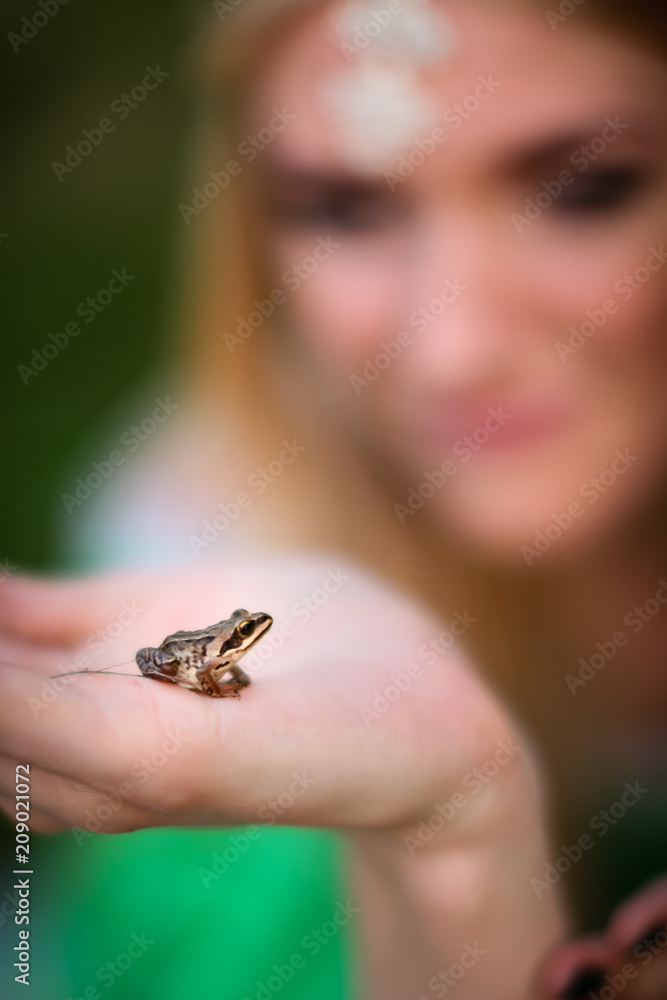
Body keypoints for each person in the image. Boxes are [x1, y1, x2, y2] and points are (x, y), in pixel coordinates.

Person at [1, 1, 667, 996]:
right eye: (344, 209)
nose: (452, 352)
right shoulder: (210, 588)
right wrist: (450, 844)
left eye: (585, 189)